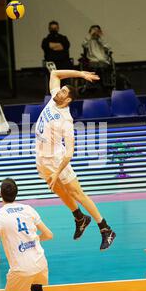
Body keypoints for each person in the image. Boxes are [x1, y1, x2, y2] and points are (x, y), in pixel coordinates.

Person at [34, 69, 116, 250]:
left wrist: (57, 171)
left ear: (68, 100)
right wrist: (81, 74)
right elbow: (54, 73)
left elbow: (69, 153)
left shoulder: (66, 121)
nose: (58, 92)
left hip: (57, 160)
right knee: (57, 189)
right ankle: (80, 217)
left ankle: (105, 228)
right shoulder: (55, 97)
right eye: (60, 89)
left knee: (77, 193)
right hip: (41, 157)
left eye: (63, 92)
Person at [0, 178, 53, 291]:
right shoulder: (28, 209)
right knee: (36, 289)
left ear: (0, 194)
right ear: (16, 193)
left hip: (21, 269)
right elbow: (48, 235)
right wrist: (35, 239)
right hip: (40, 263)